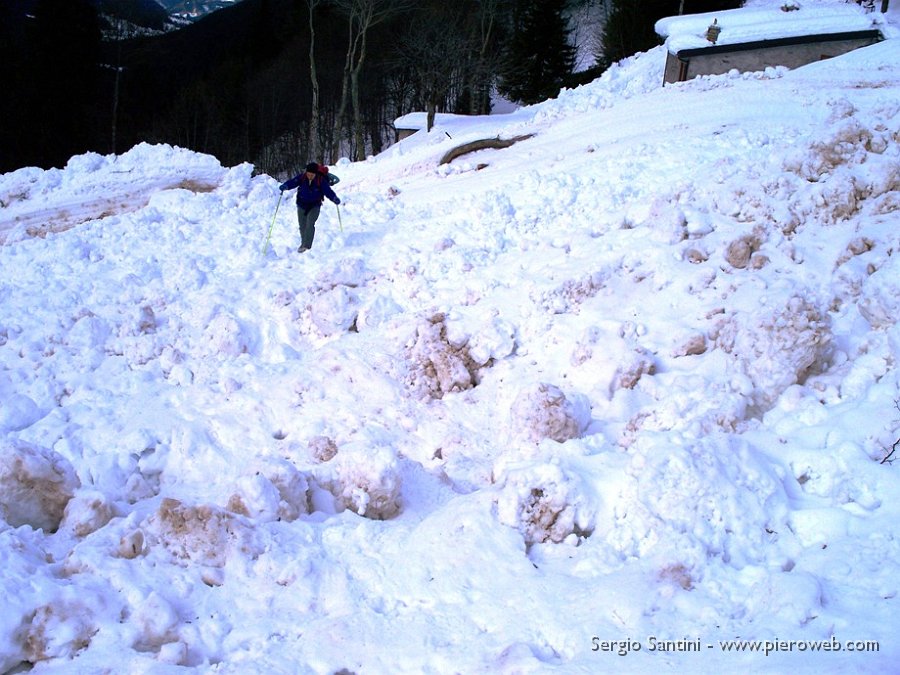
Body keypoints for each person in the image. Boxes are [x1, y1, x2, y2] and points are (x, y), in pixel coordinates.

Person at [279, 162, 341, 253]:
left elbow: (328, 191)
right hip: (301, 204)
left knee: (310, 223)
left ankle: (306, 246)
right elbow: (293, 182)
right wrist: (286, 186)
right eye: (308, 174)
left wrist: (334, 198)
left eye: (312, 174)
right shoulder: (302, 177)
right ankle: (303, 243)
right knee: (302, 225)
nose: (310, 176)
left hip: (314, 205)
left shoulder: (321, 180)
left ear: (315, 173)